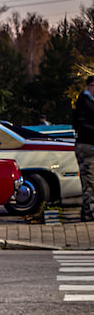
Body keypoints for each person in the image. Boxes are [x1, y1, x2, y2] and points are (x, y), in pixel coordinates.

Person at [72, 75, 94, 221]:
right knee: (89, 181)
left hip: (89, 144)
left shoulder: (89, 102)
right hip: (86, 146)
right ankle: (89, 212)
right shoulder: (83, 102)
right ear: (90, 86)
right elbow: (80, 123)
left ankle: (88, 211)